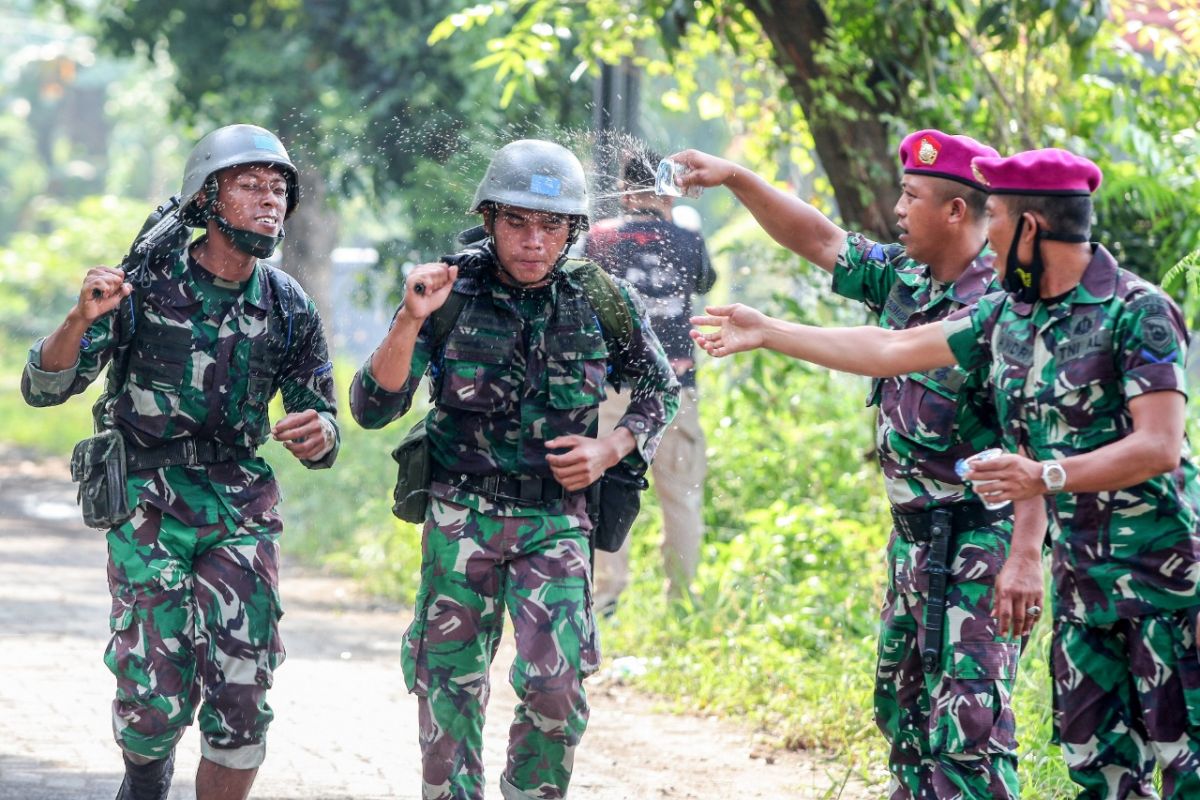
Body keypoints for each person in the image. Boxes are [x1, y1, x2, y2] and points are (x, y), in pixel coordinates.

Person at [692, 147, 1200, 799]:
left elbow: (1159, 447)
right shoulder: (1008, 316)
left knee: (1182, 760)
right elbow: (893, 348)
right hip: (1079, 579)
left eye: (996, 219)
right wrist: (769, 330)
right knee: (1094, 765)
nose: (987, 236)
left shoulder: (1138, 309)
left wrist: (1038, 488)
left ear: (1029, 228)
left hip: (1161, 575)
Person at [670, 132, 1048, 800]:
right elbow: (820, 240)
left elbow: (1030, 436)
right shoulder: (905, 273)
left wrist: (1026, 553)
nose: (898, 208)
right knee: (903, 720)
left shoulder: (1002, 305)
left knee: (969, 738)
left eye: (911, 196)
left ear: (957, 212)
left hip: (979, 541)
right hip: (911, 540)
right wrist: (736, 177)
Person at [349, 139, 679, 800]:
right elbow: (372, 406)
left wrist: (608, 450)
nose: (534, 240)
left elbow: (659, 389)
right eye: (517, 222)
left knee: (557, 692)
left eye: (551, 225)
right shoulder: (447, 291)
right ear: (491, 220)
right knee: (449, 692)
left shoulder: (597, 297)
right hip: (460, 515)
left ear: (573, 230)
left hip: (555, 520)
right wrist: (411, 320)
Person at [20, 123, 340, 800]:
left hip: (240, 508)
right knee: (154, 695)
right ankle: (144, 778)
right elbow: (44, 387)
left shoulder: (288, 305)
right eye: (249, 185)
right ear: (207, 200)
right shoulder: (141, 287)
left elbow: (324, 419)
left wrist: (319, 434)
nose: (269, 200)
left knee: (245, 696)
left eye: (279, 188)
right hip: (147, 502)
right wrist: (79, 320)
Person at [584, 148, 717, 610]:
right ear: (669, 189)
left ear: (623, 190)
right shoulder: (687, 240)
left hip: (611, 388)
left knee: (603, 483)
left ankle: (605, 597)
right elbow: (705, 282)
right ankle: (682, 597)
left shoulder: (598, 238)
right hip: (675, 386)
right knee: (680, 495)